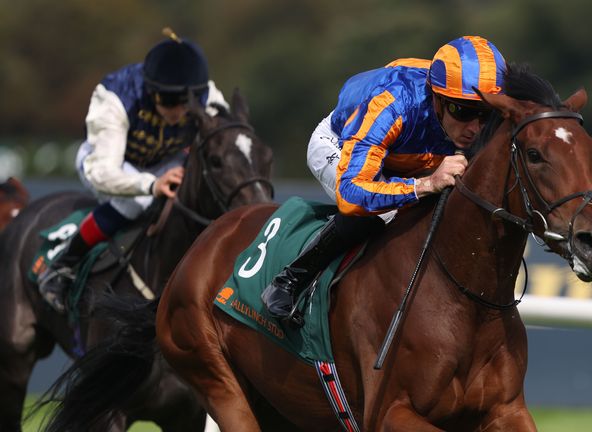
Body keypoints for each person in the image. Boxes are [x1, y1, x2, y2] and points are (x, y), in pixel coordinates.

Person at [262, 35, 507, 319]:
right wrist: (424, 185)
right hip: (343, 144)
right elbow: (352, 194)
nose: (475, 128)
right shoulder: (392, 105)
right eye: (463, 111)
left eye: (486, 115)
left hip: (408, 156)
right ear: (437, 99)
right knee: (383, 214)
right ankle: (291, 280)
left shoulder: (471, 103)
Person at [38, 29, 229, 313]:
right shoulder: (116, 97)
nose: (177, 112)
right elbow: (103, 171)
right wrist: (151, 185)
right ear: (151, 91)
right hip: (107, 162)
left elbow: (223, 140)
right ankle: (62, 265)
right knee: (136, 202)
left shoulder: (207, 94)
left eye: (184, 104)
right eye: (167, 102)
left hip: (166, 160)